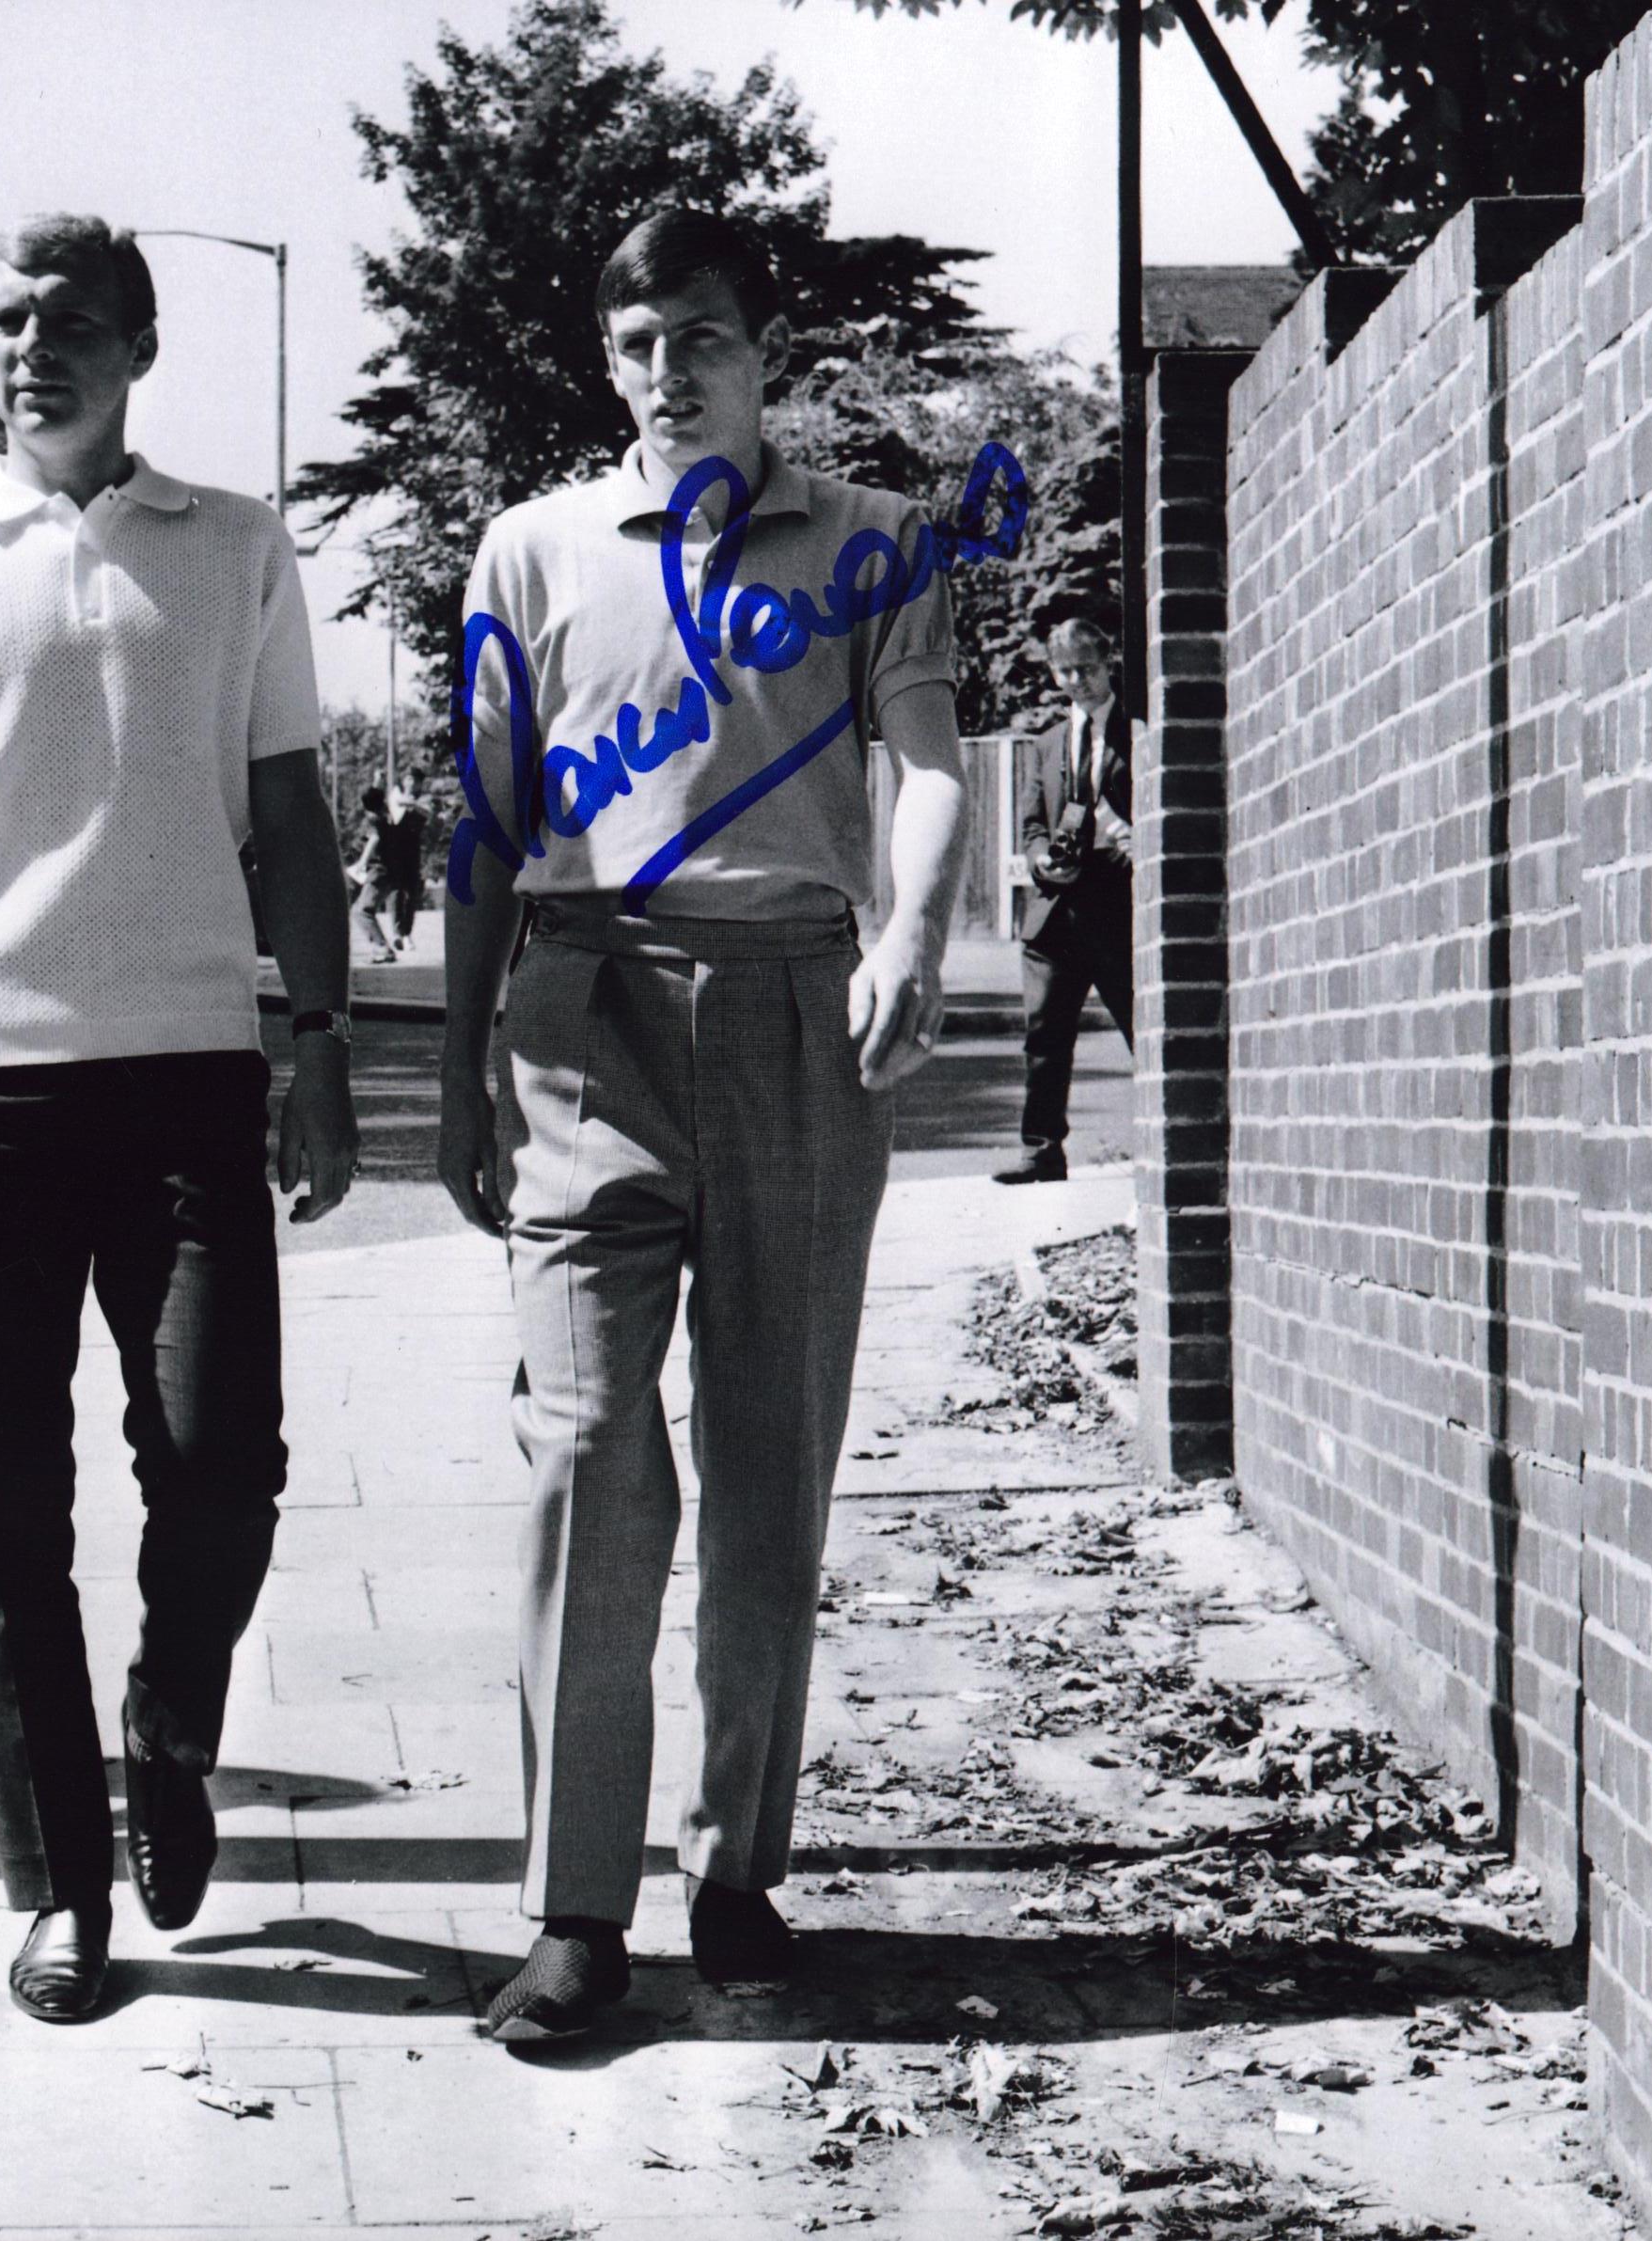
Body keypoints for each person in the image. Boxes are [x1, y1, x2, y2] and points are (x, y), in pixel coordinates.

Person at [0, 213, 357, 2025]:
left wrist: (323, 1038)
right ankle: (59, 1885)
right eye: (8, 318)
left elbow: (290, 813)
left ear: (141, 344)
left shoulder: (236, 546)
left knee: (221, 1457)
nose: (38, 347)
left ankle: (169, 1719)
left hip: (191, 1069)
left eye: (75, 320)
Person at [434, 207, 972, 2044]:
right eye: (646, 339)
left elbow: (929, 759)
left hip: (792, 1020)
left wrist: (912, 930)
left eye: (711, 338)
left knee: (767, 1458)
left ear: (768, 354)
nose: (677, 370)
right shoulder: (531, 551)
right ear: (611, 360)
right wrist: (449, 1069)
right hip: (582, 1020)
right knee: (592, 1453)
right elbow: (491, 830)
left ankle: (736, 1866)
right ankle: (575, 1909)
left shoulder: (876, 544)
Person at [997, 616, 1135, 1185]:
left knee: (1142, 1027)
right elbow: (1032, 825)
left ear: (1109, 662)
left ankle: (1164, 1143)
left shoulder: (1139, 730)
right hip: (1054, 910)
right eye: (1066, 671)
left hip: (1118, 899)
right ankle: (1041, 1154)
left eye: (1088, 668)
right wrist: (1037, 858)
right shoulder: (1049, 742)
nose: (1077, 681)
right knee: (1044, 1036)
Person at [355, 781, 430, 961]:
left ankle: (383, 949)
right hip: (390, 874)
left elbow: (374, 838)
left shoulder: (373, 820)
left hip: (379, 872)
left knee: (361, 912)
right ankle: (382, 948)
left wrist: (362, 861)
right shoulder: (387, 819)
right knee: (364, 910)